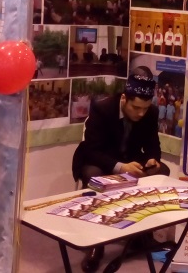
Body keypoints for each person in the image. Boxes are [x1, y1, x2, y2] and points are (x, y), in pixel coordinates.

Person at [72, 71, 169, 272]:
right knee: (93, 176)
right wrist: (120, 167)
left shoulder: (150, 112)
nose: (141, 114)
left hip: (130, 158)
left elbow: (154, 145)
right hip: (100, 160)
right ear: (124, 98)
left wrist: (153, 160)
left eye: (145, 108)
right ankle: (96, 244)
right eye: (136, 108)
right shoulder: (102, 108)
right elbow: (91, 150)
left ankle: (140, 234)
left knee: (162, 172)